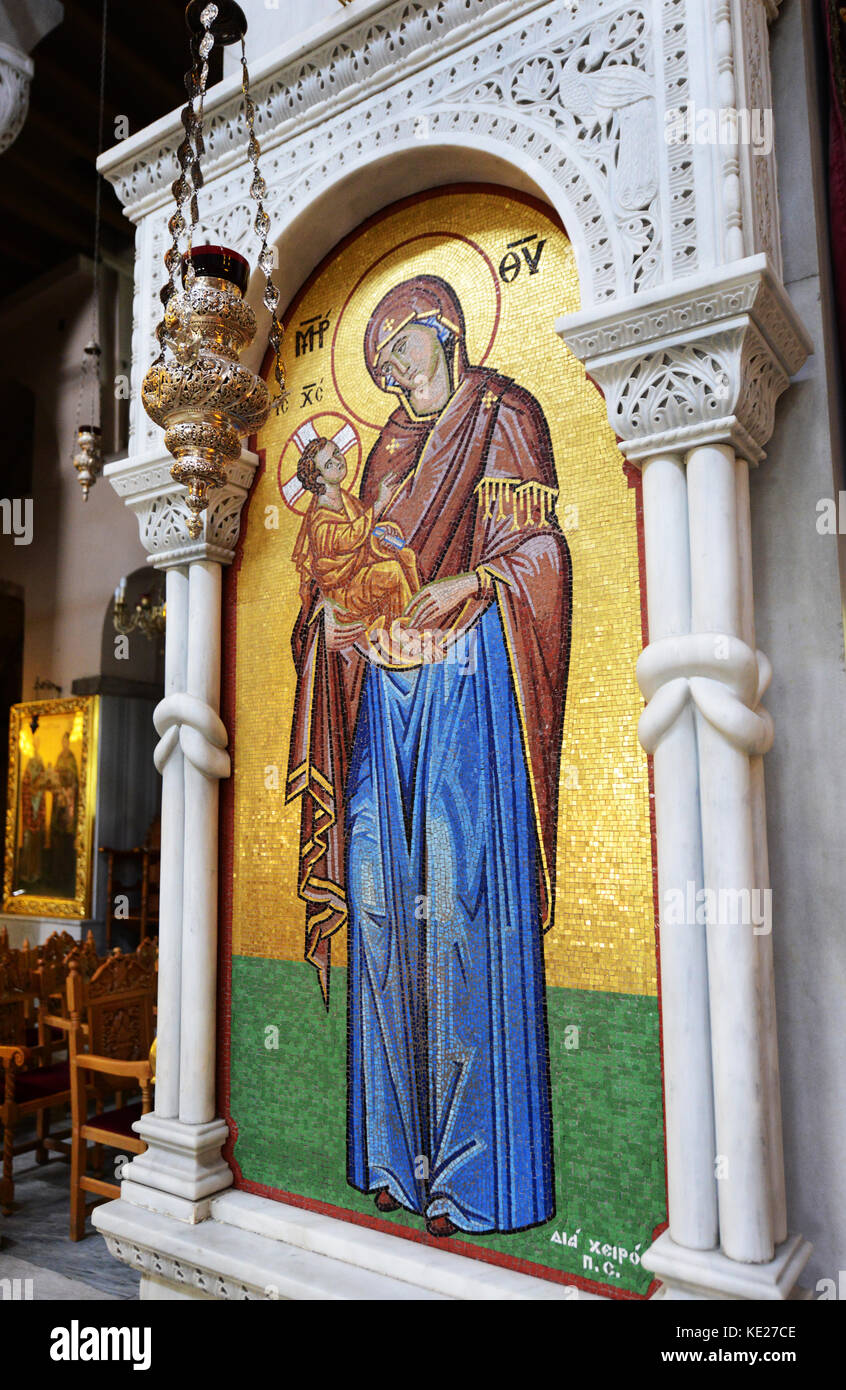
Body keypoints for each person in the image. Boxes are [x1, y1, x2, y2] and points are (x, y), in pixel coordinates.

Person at [287, 273, 572, 1238]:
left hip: (467, 682)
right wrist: (327, 627)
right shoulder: (384, 456)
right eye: (372, 365)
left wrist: (478, 582)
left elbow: (541, 554)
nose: (387, 373)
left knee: (455, 904)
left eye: (396, 351)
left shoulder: (504, 415)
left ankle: (469, 1176)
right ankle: (392, 1155)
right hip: (385, 694)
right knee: (377, 900)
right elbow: (350, 573)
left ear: (442, 330)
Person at [292, 434, 419, 634]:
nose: (338, 461)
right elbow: (348, 539)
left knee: (406, 556)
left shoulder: (345, 499)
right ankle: (404, 633)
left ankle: (414, 619)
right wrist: (378, 504)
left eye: (336, 453)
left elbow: (365, 531)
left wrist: (382, 532)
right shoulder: (320, 518)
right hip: (341, 592)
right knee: (392, 572)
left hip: (357, 573)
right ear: (319, 478)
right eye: (328, 464)